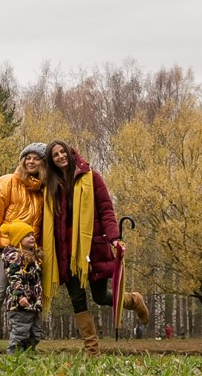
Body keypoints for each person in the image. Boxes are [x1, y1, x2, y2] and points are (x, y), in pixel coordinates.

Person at [41, 140, 148, 357]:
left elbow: (106, 209)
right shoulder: (49, 184)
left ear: (71, 154)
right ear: (51, 161)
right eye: (55, 155)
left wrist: (114, 239)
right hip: (66, 252)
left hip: (92, 248)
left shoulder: (91, 177)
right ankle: (92, 351)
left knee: (100, 297)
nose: (61, 156)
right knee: (77, 300)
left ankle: (134, 300)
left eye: (63, 152)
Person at [0, 143, 48, 356]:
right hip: (4, 251)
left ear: (43, 163)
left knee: (29, 297)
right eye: (28, 157)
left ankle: (23, 345)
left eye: (36, 158)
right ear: (22, 160)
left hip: (29, 254)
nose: (31, 162)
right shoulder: (7, 182)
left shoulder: (41, 191)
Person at [0, 222, 45, 353]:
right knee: (20, 333)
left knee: (35, 334)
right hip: (20, 304)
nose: (32, 237)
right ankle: (14, 358)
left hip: (33, 303)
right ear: (18, 239)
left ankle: (28, 358)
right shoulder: (14, 257)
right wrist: (20, 295)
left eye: (32, 234)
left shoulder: (33, 256)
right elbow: (14, 278)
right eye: (27, 236)